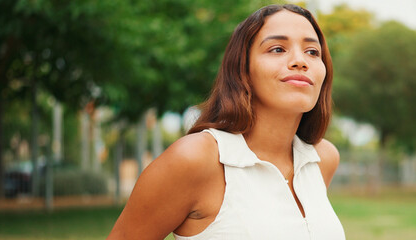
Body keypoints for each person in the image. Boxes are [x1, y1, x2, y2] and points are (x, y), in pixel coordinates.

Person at [107, 4, 345, 239]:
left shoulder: (323, 158)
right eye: (277, 49)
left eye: (312, 52)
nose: (300, 61)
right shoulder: (195, 157)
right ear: (243, 68)